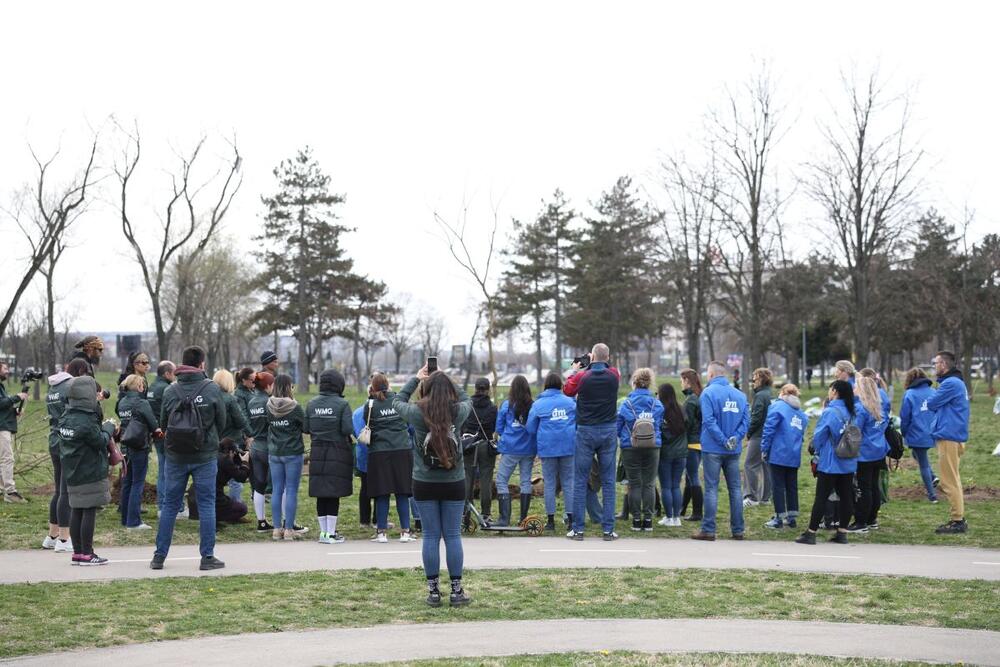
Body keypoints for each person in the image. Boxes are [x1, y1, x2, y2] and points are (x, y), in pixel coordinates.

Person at [392, 366, 473, 607]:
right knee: (452, 536)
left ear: (424, 389)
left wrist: (416, 379)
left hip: (424, 482)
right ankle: (456, 591)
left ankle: (433, 591)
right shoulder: (457, 412)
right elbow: (468, 398)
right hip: (454, 481)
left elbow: (397, 400)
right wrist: (449, 379)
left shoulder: (417, 414)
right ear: (449, 390)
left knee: (430, 536)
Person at [151, 345, 227, 571]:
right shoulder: (212, 389)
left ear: (181, 364)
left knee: (170, 505)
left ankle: (159, 557)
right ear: (202, 364)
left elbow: (164, 423)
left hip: (175, 456)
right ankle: (207, 557)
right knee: (206, 504)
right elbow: (221, 421)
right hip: (204, 455)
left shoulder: (170, 391)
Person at [564, 343, 621, 541]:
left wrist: (576, 369)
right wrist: (596, 359)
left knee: (580, 480)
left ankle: (578, 529)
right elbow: (608, 366)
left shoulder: (582, 376)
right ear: (608, 357)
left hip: (586, 431)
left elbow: (568, 390)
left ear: (593, 357)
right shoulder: (614, 375)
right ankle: (608, 529)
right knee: (608, 481)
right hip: (608, 430)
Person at [59, 375, 117, 565]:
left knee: (77, 509)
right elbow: (99, 440)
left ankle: (78, 553)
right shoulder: (86, 420)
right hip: (89, 469)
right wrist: (108, 428)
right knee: (89, 510)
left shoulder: (67, 415)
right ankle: (87, 553)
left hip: (72, 469)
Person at [796, 380, 859, 545]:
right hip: (848, 460)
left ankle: (811, 533)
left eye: (830, 389)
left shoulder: (831, 411)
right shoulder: (853, 411)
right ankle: (842, 532)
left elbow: (820, 435)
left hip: (831, 461)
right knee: (846, 497)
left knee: (821, 497)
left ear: (835, 391)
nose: (829, 392)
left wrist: (814, 448)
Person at [692, 361, 749, 541]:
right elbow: (745, 422)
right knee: (735, 489)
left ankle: (708, 529)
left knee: (711, 489)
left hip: (712, 448)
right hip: (733, 449)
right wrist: (734, 439)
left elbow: (708, 421)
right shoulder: (740, 395)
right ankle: (738, 530)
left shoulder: (707, 393)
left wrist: (723, 440)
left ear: (710, 375)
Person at [363, 372, 416, 543]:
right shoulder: (398, 400)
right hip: (402, 450)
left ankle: (381, 532)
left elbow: (368, 425)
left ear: (373, 387)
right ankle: (406, 531)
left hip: (379, 452)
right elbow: (408, 422)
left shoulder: (370, 404)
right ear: (388, 384)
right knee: (402, 493)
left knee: (382, 494)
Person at [41, 361, 87, 551]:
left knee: (59, 491)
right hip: (67, 441)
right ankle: (64, 540)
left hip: (54, 439)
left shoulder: (53, 387)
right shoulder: (71, 386)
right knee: (66, 491)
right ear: (80, 371)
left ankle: (52, 536)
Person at [307, 369, 355, 545]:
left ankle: (323, 534)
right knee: (333, 493)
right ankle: (331, 533)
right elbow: (347, 429)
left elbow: (306, 427)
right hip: (337, 452)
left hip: (317, 451)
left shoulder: (311, 404)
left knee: (321, 492)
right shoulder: (342, 404)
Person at [926, 351, 970, 534]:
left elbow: (931, 403)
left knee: (948, 481)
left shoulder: (951, 383)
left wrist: (934, 398)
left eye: (935, 363)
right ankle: (958, 518)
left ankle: (957, 520)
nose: (934, 366)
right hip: (952, 435)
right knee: (953, 480)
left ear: (944, 364)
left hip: (949, 436)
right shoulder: (955, 382)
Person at [527, 372, 576, 532]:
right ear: (561, 386)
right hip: (568, 447)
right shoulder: (570, 403)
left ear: (545, 386)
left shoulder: (538, 405)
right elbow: (578, 422)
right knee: (568, 482)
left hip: (547, 449)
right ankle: (570, 519)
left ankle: (550, 521)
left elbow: (530, 428)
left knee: (549, 483)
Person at [617, 368, 664, 532]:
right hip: (652, 446)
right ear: (650, 383)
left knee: (635, 484)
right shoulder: (657, 404)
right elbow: (659, 424)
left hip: (630, 447)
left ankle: (636, 520)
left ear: (634, 383)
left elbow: (618, 427)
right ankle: (648, 520)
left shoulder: (626, 404)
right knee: (649, 484)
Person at [267, 374, 308, 540]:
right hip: (292, 452)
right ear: (289, 387)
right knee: (291, 490)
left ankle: (277, 529)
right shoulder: (295, 407)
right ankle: (289, 529)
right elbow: (306, 427)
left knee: (277, 490)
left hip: (274, 453)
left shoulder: (268, 406)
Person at [116, 373, 160, 530]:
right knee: (137, 483)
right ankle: (134, 522)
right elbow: (153, 424)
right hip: (139, 446)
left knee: (127, 483)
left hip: (124, 447)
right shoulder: (142, 403)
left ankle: (125, 519)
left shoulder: (121, 402)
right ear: (139, 386)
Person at [760, 383, 807, 529]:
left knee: (778, 486)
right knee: (791, 486)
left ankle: (779, 518)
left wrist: (764, 449)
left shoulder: (777, 407)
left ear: (782, 393)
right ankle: (792, 518)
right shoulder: (801, 413)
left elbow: (769, 429)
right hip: (794, 454)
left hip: (778, 452)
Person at [493, 375, 536, 527]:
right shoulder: (533, 405)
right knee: (525, 481)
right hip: (529, 448)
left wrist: (504, 438)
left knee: (501, 480)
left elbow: (499, 427)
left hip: (511, 448)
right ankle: (523, 519)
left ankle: (504, 519)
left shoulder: (507, 405)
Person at [847, 376, 887, 533]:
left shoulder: (861, 409)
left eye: (856, 386)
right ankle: (872, 519)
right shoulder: (879, 407)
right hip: (878, 451)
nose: (853, 389)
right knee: (874, 487)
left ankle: (861, 522)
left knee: (864, 488)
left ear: (862, 390)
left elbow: (855, 432)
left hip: (865, 453)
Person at [461, 377, 498, 524]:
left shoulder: (467, 406)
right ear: (488, 389)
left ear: (475, 388)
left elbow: (462, 425)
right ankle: (485, 514)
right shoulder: (493, 408)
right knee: (486, 480)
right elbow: (495, 428)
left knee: (467, 478)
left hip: (469, 444)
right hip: (485, 444)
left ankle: (466, 512)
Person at [213, 370, 252, 505]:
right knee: (235, 478)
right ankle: (235, 505)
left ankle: (219, 503)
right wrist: (251, 434)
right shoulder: (230, 399)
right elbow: (241, 421)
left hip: (215, 441)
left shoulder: (210, 397)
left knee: (217, 476)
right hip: (232, 442)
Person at [900, 367, 939, 503]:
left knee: (923, 464)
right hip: (932, 432)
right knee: (917, 454)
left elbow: (905, 417)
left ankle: (932, 495)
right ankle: (933, 477)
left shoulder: (910, 394)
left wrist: (904, 433)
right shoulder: (933, 392)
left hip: (917, 433)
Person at [656, 383, 687, 527]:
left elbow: (660, 432)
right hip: (681, 454)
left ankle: (669, 517)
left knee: (666, 487)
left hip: (666, 454)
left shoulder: (661, 411)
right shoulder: (682, 409)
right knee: (676, 486)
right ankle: (677, 518)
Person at [247, 372, 275, 531]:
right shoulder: (269, 402)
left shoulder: (251, 401)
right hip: (269, 447)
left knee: (258, 486)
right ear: (268, 386)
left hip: (255, 446)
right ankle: (283, 522)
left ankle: (261, 522)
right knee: (278, 486)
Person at [742, 367, 774, 508]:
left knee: (750, 465)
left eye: (754, 379)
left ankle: (751, 497)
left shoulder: (760, 396)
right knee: (766, 467)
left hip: (758, 436)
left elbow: (756, 418)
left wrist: (748, 433)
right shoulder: (770, 394)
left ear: (761, 379)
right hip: (768, 436)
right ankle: (765, 498)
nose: (753, 382)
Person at [148, 361, 176, 517]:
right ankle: (168, 506)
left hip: (155, 433)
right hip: (166, 433)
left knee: (162, 470)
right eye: (174, 372)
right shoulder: (166, 389)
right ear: (167, 374)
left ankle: (161, 505)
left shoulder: (151, 387)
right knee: (169, 471)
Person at [0, 362, 29, 504]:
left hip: (3, 426)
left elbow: (3, 406)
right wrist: (17, 397)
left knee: (3, 459)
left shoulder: (1, 386)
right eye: (5, 369)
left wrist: (14, 411)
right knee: (7, 458)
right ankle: (10, 492)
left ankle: (2, 488)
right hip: (1, 428)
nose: (8, 371)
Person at [679, 369, 703, 522]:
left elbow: (687, 424)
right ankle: (682, 509)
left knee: (693, 477)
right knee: (689, 477)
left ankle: (697, 513)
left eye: (682, 380)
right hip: (699, 442)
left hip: (691, 443)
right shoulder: (698, 397)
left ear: (687, 380)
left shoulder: (690, 401)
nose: (681, 383)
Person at [352, 402, 375, 528]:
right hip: (377, 453)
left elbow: (353, 432)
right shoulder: (379, 409)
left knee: (364, 487)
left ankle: (364, 520)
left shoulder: (357, 412)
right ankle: (378, 520)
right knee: (381, 487)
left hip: (362, 453)